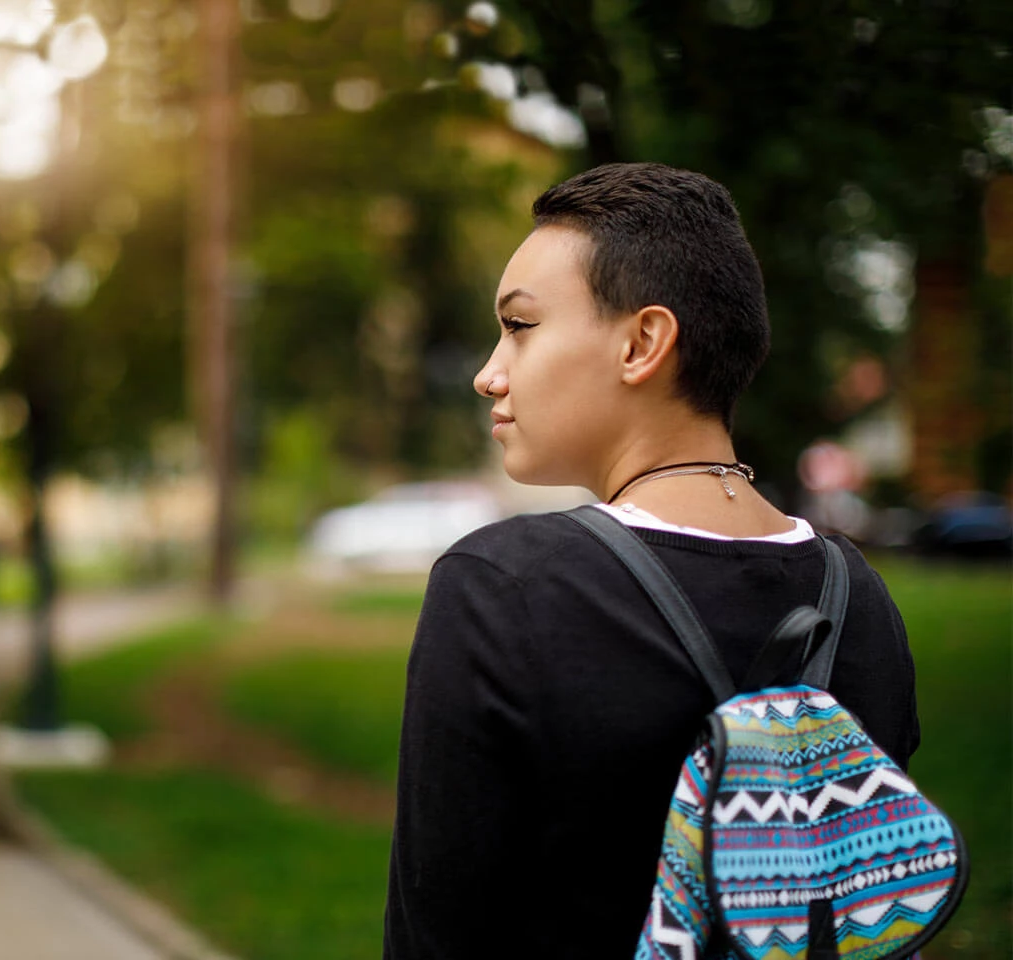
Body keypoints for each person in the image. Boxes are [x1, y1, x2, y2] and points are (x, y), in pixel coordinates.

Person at [382, 164, 920, 958]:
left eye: (520, 326)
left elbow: (436, 935)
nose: (488, 373)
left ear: (642, 344)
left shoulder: (503, 586)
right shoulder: (859, 598)